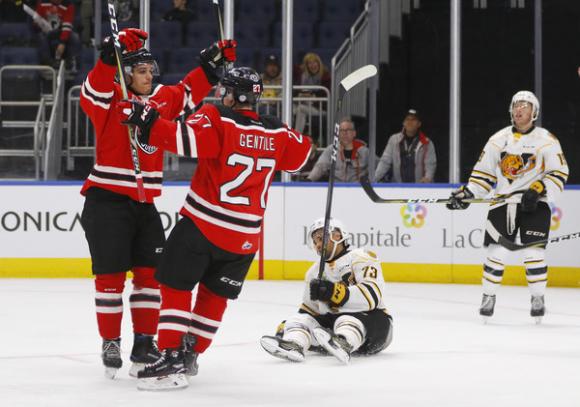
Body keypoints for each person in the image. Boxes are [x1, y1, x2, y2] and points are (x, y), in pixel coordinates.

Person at [116, 66, 312, 390]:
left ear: (234, 95)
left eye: (225, 90)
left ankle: (169, 359)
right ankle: (191, 353)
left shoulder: (218, 117)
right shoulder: (277, 131)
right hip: (246, 238)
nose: (220, 94)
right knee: (214, 296)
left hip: (203, 225)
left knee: (176, 287)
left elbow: (184, 140)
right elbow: (302, 155)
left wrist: (146, 121)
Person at [79, 27, 237, 379]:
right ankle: (109, 341)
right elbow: (92, 89)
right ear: (126, 74)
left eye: (152, 71)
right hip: (106, 202)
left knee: (151, 278)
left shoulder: (161, 101)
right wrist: (109, 57)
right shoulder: (109, 100)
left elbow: (188, 92)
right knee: (110, 278)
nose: (149, 76)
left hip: (144, 205)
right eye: (141, 70)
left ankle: (144, 341)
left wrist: (214, 64)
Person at [446, 90, 569, 323]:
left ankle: (538, 297)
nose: (519, 109)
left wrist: (538, 189)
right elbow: (483, 174)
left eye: (525, 105)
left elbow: (559, 172)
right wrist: (467, 193)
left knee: (534, 254)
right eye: (516, 105)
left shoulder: (547, 141)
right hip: (503, 202)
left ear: (535, 112)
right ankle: (488, 296)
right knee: (497, 252)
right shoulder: (498, 139)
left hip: (536, 204)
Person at [260, 217, 393, 364]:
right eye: (315, 241)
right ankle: (294, 345)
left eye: (320, 238)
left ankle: (344, 342)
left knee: (346, 319)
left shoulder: (362, 257)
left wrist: (333, 292)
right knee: (297, 320)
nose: (317, 244)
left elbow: (371, 296)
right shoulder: (314, 272)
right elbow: (309, 310)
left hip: (374, 324)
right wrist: (289, 327)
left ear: (337, 235)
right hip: (331, 329)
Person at [375, 109, 437, 183]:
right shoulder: (394, 140)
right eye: (407, 119)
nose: (410, 122)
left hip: (420, 189)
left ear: (419, 124)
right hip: (398, 189)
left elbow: (430, 165)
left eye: (413, 120)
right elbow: (385, 162)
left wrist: (428, 178)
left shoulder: (427, 143)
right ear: (403, 123)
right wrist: (374, 179)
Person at [307, 117, 371, 182]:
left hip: (357, 189)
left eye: (348, 130)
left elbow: (376, 168)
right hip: (336, 188)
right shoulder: (331, 149)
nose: (344, 133)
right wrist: (309, 180)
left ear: (354, 133)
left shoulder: (364, 151)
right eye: (341, 130)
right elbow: (320, 167)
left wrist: (372, 182)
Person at [33, 0, 81, 73]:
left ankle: (71, 64)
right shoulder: (42, 2)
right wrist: (37, 23)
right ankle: (49, 64)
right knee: (41, 36)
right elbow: (36, 23)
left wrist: (62, 42)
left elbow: (67, 26)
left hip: (61, 31)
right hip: (46, 31)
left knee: (75, 37)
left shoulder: (68, 5)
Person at [294, 52, 331, 136]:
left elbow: (325, 95)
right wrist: (301, 95)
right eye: (309, 63)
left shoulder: (325, 77)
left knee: (300, 109)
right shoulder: (303, 77)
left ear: (319, 63)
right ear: (306, 66)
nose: (313, 65)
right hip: (305, 105)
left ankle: (296, 137)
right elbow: (295, 92)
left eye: (315, 62)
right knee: (291, 109)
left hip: (320, 108)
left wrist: (312, 96)